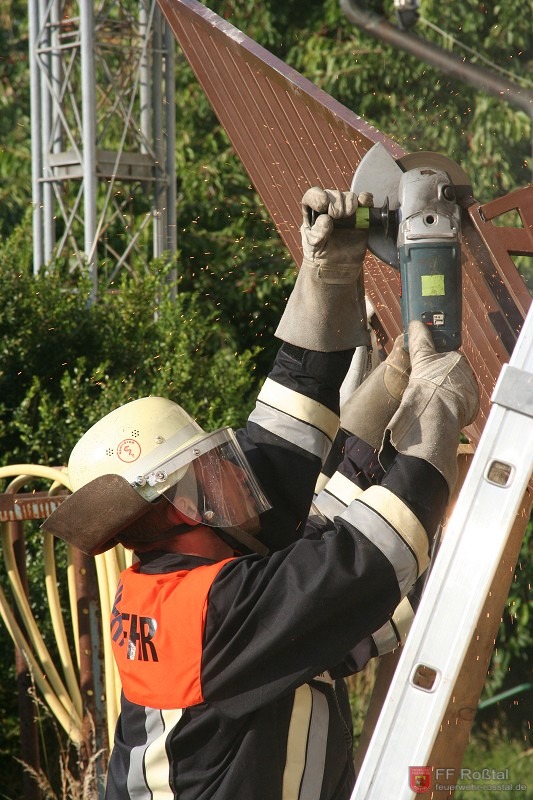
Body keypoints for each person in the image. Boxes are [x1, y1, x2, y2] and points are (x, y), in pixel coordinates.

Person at [43, 186, 479, 800]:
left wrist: (327, 282)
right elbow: (358, 564)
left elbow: (283, 452)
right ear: (183, 504)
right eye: (211, 467)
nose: (235, 467)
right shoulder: (211, 614)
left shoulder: (190, 583)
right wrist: (435, 418)